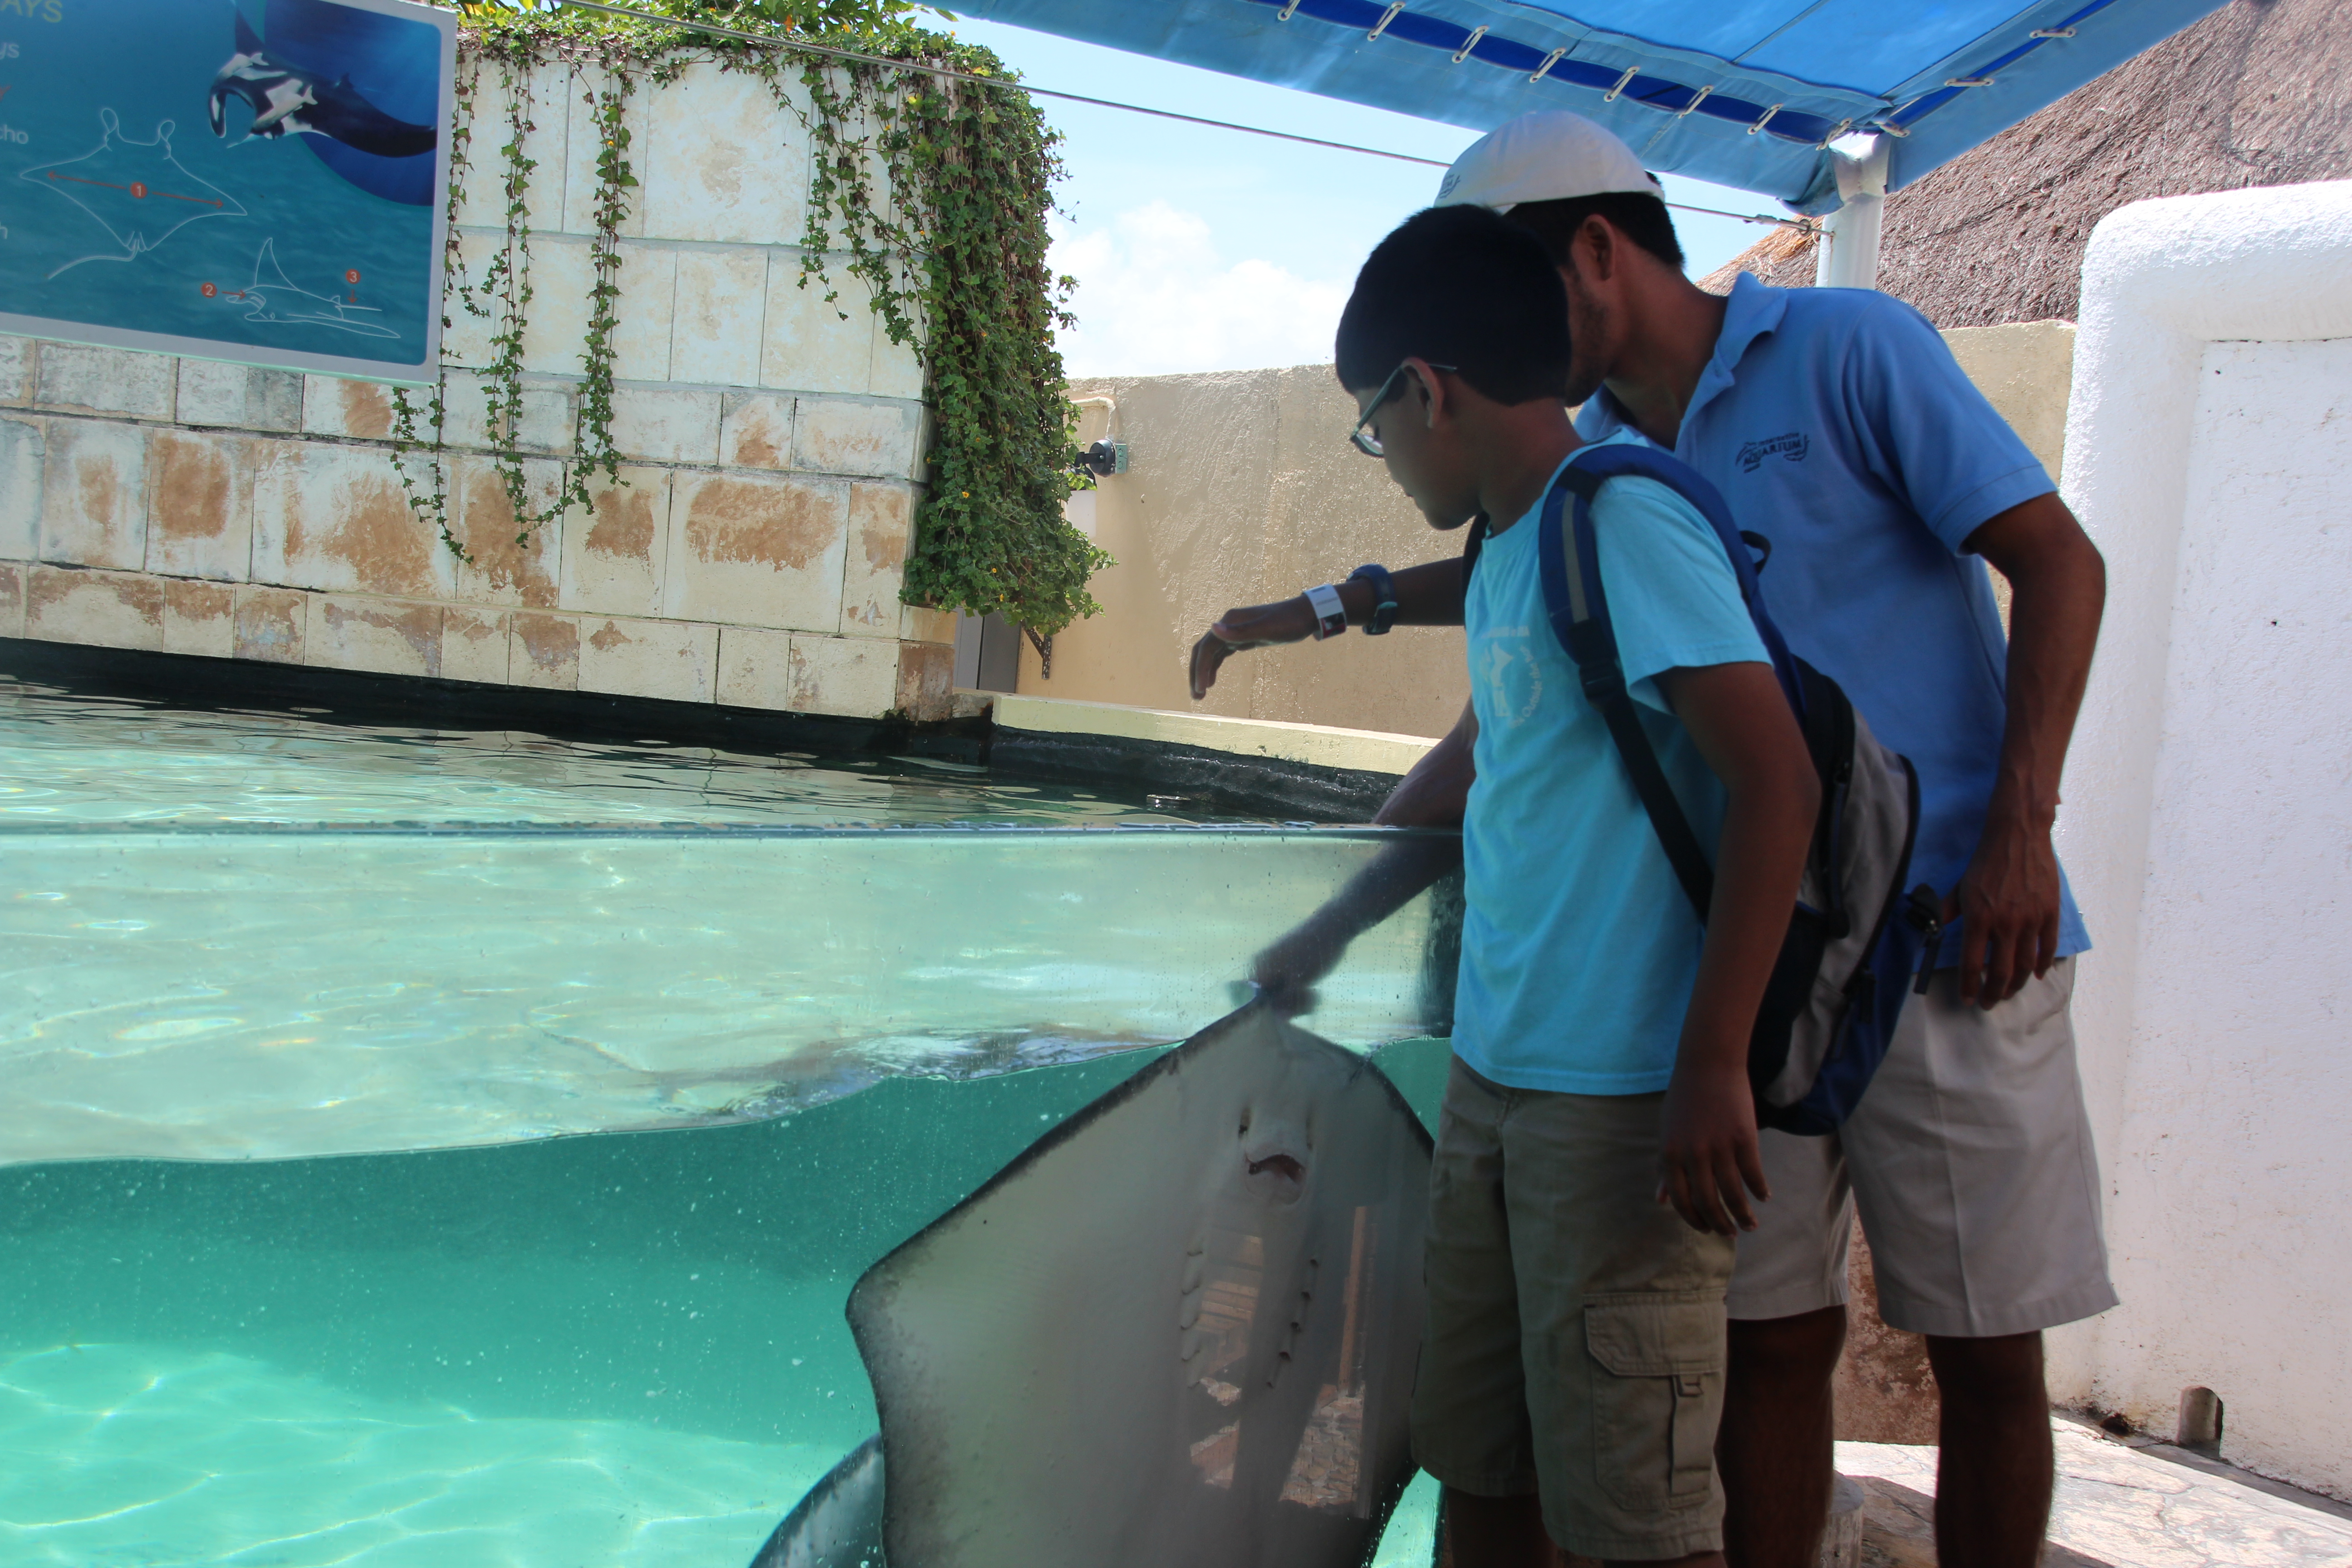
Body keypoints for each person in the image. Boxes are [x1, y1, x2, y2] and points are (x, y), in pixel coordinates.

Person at [1191, 112, 2113, 1568]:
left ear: (1598, 251)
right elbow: (1511, 661)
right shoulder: (1589, 467)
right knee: (1768, 1341)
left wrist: (2021, 831)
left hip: (1948, 930)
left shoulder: (1849, 351)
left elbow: (2058, 560)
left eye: (1509, 276)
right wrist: (1331, 853)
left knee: (1987, 1349)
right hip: (1747, 970)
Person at [1288, 201, 1821, 1567]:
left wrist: (1711, 1065)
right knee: (1482, 1464)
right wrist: (1320, 934)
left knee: (1633, 1519)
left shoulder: (1623, 518)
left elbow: (1778, 783)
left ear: (1427, 391)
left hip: (1624, 1108)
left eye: (1375, 424)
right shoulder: (1509, 550)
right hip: (1498, 1080)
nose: (1386, 456)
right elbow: (1481, 773)